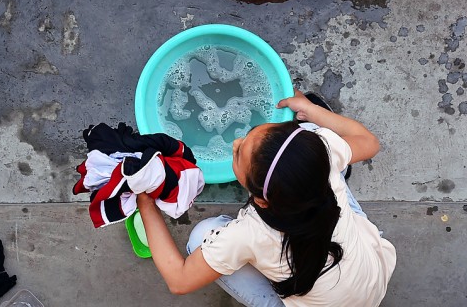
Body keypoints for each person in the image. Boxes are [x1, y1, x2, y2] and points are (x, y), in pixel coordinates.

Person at [136, 91, 396, 306]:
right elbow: (369, 142)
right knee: (309, 130)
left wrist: (146, 202)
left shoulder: (248, 234)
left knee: (200, 237)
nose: (236, 142)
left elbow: (179, 280)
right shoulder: (323, 151)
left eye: (239, 153)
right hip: (372, 280)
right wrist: (311, 109)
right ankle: (333, 155)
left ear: (261, 201)